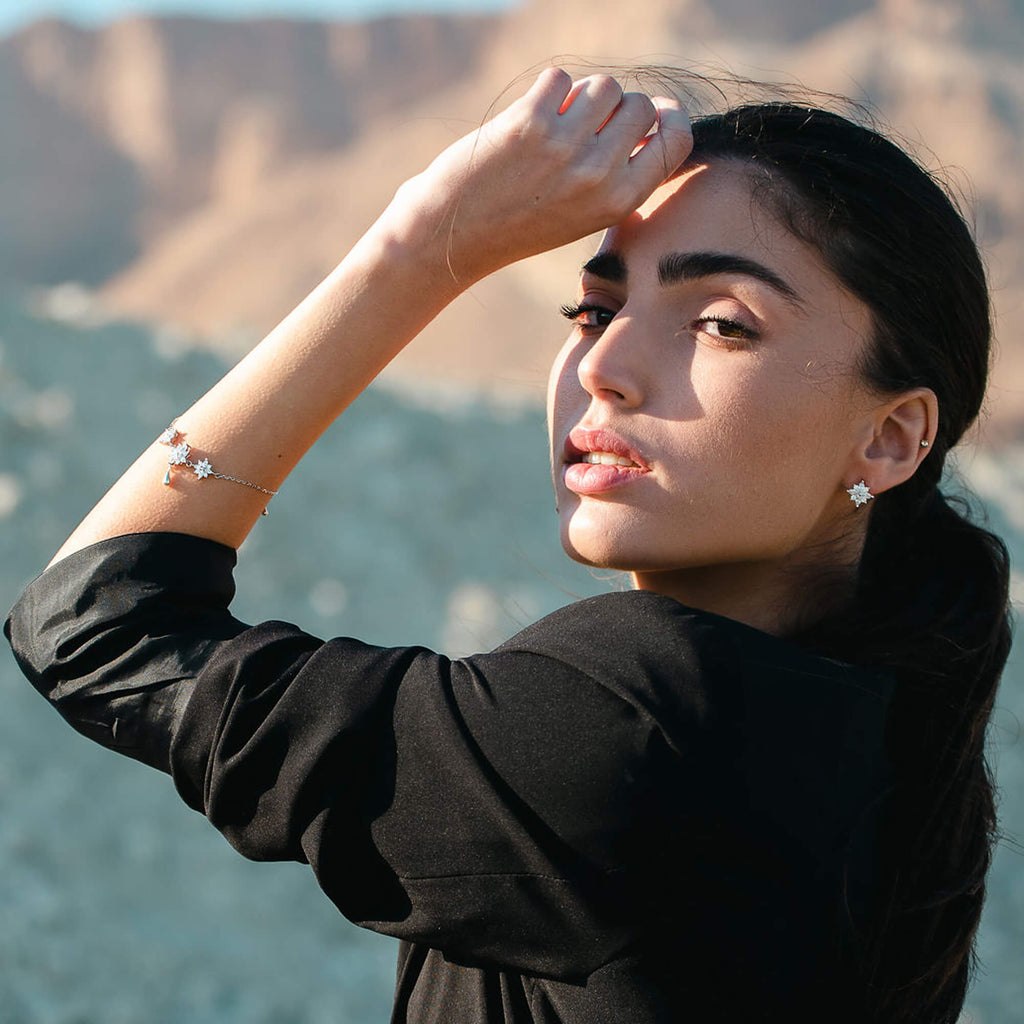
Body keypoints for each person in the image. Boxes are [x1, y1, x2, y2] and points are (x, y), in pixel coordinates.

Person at [5, 67, 1012, 1023]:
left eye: (717, 323)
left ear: (887, 438)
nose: (606, 366)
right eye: (595, 309)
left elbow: (96, 624)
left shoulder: (643, 715)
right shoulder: (872, 738)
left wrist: (418, 245)